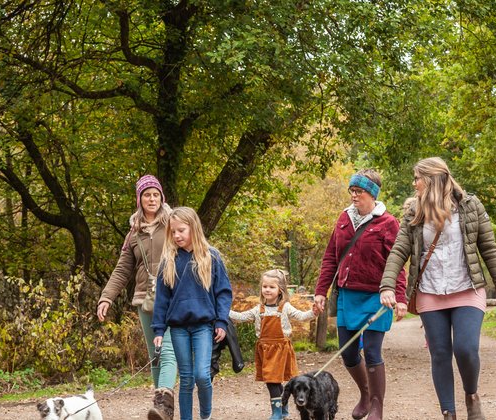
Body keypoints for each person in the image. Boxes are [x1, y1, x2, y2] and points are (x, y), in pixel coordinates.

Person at [379, 157, 496, 420]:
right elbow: (399, 251)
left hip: (467, 288)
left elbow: (489, 249)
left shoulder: (470, 206)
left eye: (417, 178)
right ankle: (448, 413)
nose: (414, 183)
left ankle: (472, 397)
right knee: (440, 353)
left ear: (432, 179)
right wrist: (387, 286)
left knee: (465, 348)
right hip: (430, 291)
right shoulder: (413, 212)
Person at [313, 168, 407, 420]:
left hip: (377, 297)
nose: (354, 196)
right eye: (352, 191)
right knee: (348, 352)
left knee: (373, 352)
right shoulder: (344, 218)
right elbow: (331, 257)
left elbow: (396, 263)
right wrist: (321, 290)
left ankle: (377, 406)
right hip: (347, 296)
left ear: (372, 194)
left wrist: (400, 296)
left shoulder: (388, 223)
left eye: (359, 192)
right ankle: (365, 394)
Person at [96, 174, 177, 420]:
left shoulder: (173, 224)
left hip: (173, 296)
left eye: (155, 194)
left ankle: (163, 405)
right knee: (156, 354)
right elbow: (122, 269)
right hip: (146, 299)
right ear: (139, 199)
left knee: (169, 350)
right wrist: (106, 297)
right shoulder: (133, 234)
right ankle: (161, 407)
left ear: (161, 197)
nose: (151, 199)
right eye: (146, 195)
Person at [151, 207, 233, 420]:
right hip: (178, 328)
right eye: (173, 232)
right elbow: (162, 299)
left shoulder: (211, 256)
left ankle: (205, 415)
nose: (177, 236)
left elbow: (224, 292)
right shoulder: (168, 260)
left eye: (181, 230)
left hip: (203, 326)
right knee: (186, 379)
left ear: (193, 228)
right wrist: (159, 329)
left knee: (202, 376)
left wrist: (221, 322)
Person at [229, 269, 315, 420]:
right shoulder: (258, 310)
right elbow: (241, 317)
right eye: (265, 286)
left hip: (281, 349)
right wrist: (223, 311)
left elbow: (302, 316)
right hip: (265, 350)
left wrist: (314, 312)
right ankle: (283, 409)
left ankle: (277, 413)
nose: (267, 290)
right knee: (273, 380)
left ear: (280, 290)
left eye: (272, 287)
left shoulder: (285, 307)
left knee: (272, 381)